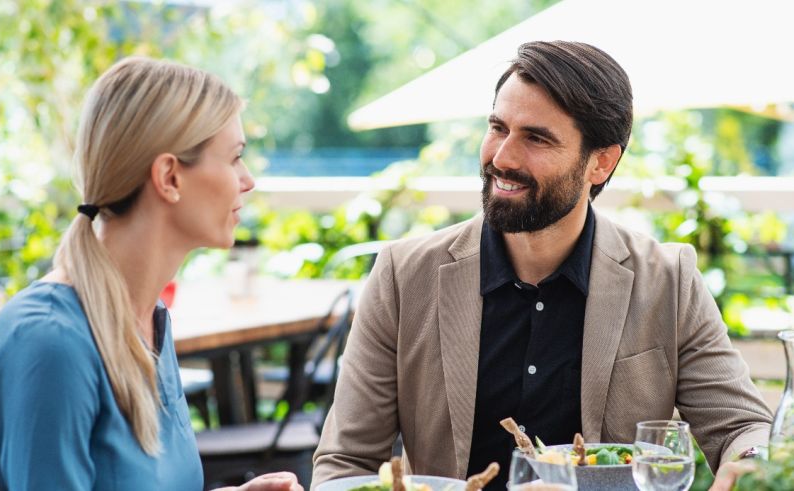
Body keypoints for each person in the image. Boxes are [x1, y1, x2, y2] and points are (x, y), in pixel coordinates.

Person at [312, 41, 772, 491]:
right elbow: (346, 461)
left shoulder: (667, 281)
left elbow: (742, 428)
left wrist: (750, 462)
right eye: (497, 127)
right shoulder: (402, 275)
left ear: (601, 162)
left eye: (536, 138)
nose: (503, 157)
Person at [0, 57, 302, 491]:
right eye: (235, 158)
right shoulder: (50, 340)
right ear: (169, 176)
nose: (247, 180)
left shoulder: (148, 319)